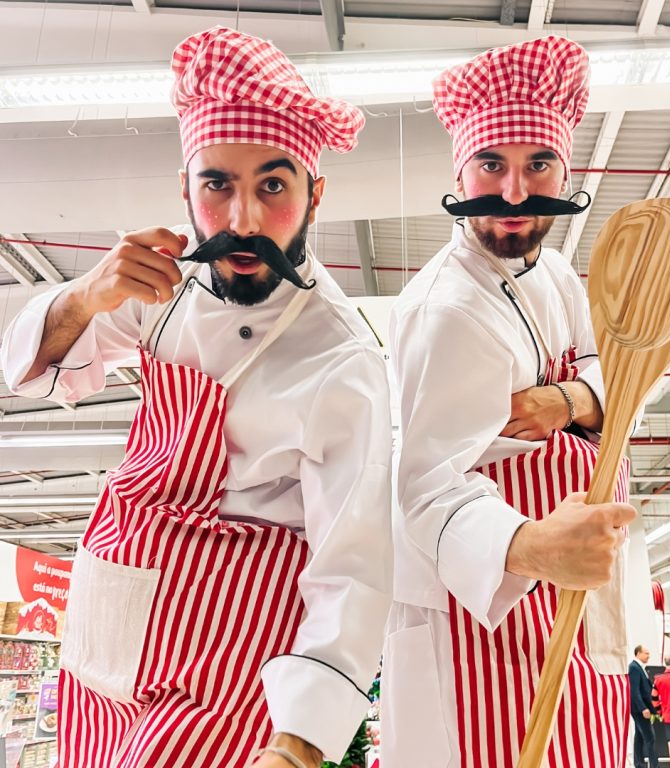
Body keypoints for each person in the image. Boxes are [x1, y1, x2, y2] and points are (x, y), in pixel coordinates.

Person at [1, 27, 393, 768]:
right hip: (109, 621)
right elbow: (32, 365)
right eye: (218, 186)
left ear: (316, 193)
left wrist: (300, 744)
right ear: (185, 187)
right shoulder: (161, 283)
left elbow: (354, 565)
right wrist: (86, 295)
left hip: (227, 654)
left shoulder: (341, 357)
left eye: (273, 186)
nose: (242, 221)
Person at [381, 36, 637, 768]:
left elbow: (613, 372)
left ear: (567, 170)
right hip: (483, 619)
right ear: (460, 171)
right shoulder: (446, 310)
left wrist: (570, 397)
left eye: (538, 164)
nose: (516, 193)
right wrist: (535, 548)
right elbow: (424, 487)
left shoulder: (556, 274)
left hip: (572, 602)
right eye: (492, 164)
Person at [630, 646, 658, 768]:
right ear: (638, 653)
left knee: (640, 737)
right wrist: (643, 708)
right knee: (650, 738)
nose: (648, 656)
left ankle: (639, 763)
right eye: (646, 653)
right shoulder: (634, 668)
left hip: (640, 708)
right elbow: (634, 691)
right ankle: (654, 765)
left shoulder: (639, 668)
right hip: (639, 709)